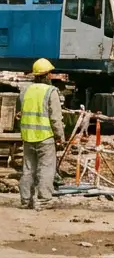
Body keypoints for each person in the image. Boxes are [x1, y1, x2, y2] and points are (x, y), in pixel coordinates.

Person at [19, 58, 65, 211]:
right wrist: (60, 137)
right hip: (45, 137)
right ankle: (44, 200)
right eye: (50, 74)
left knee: (28, 169)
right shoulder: (51, 92)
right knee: (46, 168)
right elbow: (55, 118)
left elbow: (22, 113)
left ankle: (26, 200)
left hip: (28, 136)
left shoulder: (26, 90)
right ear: (46, 75)